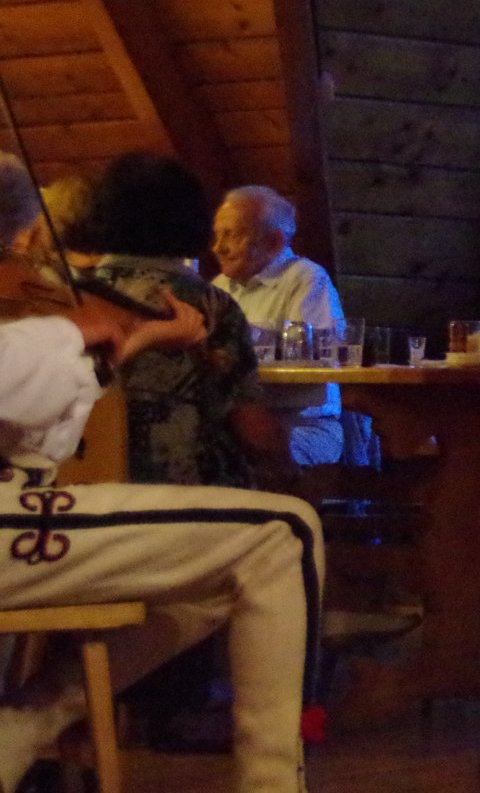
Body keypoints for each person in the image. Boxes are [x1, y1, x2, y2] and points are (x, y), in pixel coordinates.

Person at [0, 154, 323, 793]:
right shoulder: (192, 302)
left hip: (65, 492)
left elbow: (37, 417)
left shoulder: (67, 293)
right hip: (29, 513)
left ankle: (31, 719)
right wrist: (79, 335)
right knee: (285, 530)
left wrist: (121, 340)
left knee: (234, 559)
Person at [84, 153, 279, 488]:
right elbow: (251, 427)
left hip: (86, 483)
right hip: (191, 491)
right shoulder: (212, 306)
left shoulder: (71, 299)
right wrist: (286, 464)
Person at [210, 187, 347, 466]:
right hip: (238, 422)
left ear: (273, 242)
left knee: (229, 456)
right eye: (217, 235)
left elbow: (321, 357)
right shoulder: (219, 286)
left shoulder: (306, 279)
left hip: (302, 426)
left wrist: (239, 339)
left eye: (231, 235)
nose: (218, 247)